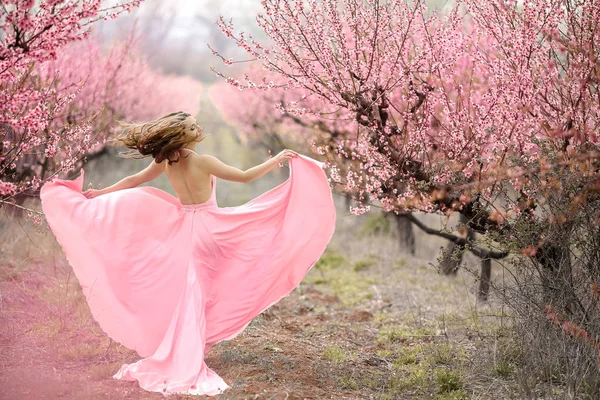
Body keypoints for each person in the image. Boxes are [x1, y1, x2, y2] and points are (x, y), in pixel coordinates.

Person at [40, 111, 336, 397]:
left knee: (195, 290)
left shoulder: (167, 164)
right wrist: (276, 160)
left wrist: (101, 194)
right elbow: (244, 177)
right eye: (193, 127)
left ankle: (190, 342)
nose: (199, 130)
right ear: (183, 135)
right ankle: (188, 349)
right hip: (210, 229)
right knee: (219, 277)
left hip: (185, 229)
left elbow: (133, 181)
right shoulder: (203, 161)